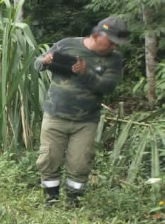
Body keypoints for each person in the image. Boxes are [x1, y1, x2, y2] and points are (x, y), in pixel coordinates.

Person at [34, 16, 127, 206]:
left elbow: (108, 86)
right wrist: (45, 60)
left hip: (86, 120)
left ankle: (73, 201)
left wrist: (86, 72)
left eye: (117, 44)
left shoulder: (114, 60)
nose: (114, 47)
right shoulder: (66, 44)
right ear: (95, 35)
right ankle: (51, 199)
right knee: (49, 157)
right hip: (55, 114)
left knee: (80, 162)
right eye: (111, 42)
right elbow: (37, 64)